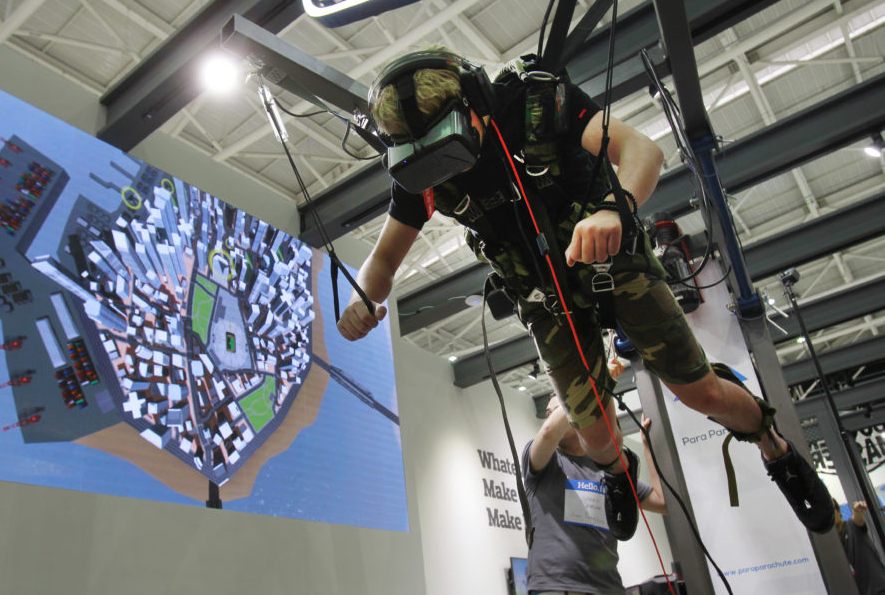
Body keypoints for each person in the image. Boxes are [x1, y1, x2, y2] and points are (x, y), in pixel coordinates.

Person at [336, 47, 834, 539]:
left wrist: (616, 209)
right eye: (423, 162)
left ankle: (775, 447)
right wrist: (362, 299)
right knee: (593, 432)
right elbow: (382, 260)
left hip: (610, 258)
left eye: (448, 149)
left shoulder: (536, 103)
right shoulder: (420, 167)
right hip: (542, 295)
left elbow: (642, 151)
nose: (443, 170)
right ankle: (619, 473)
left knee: (699, 390)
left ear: (473, 107)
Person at [523, 386, 667, 595]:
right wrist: (584, 389)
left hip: (608, 588)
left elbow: (662, 502)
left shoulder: (607, 467)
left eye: (559, 410)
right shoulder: (544, 460)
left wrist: (648, 446)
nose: (552, 418)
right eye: (549, 413)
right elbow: (547, 433)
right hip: (557, 587)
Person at [835, 500, 885, 595]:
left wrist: (857, 510)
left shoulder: (851, 526)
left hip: (879, 590)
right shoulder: (831, 546)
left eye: (832, 508)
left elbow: (857, 519)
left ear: (838, 512)